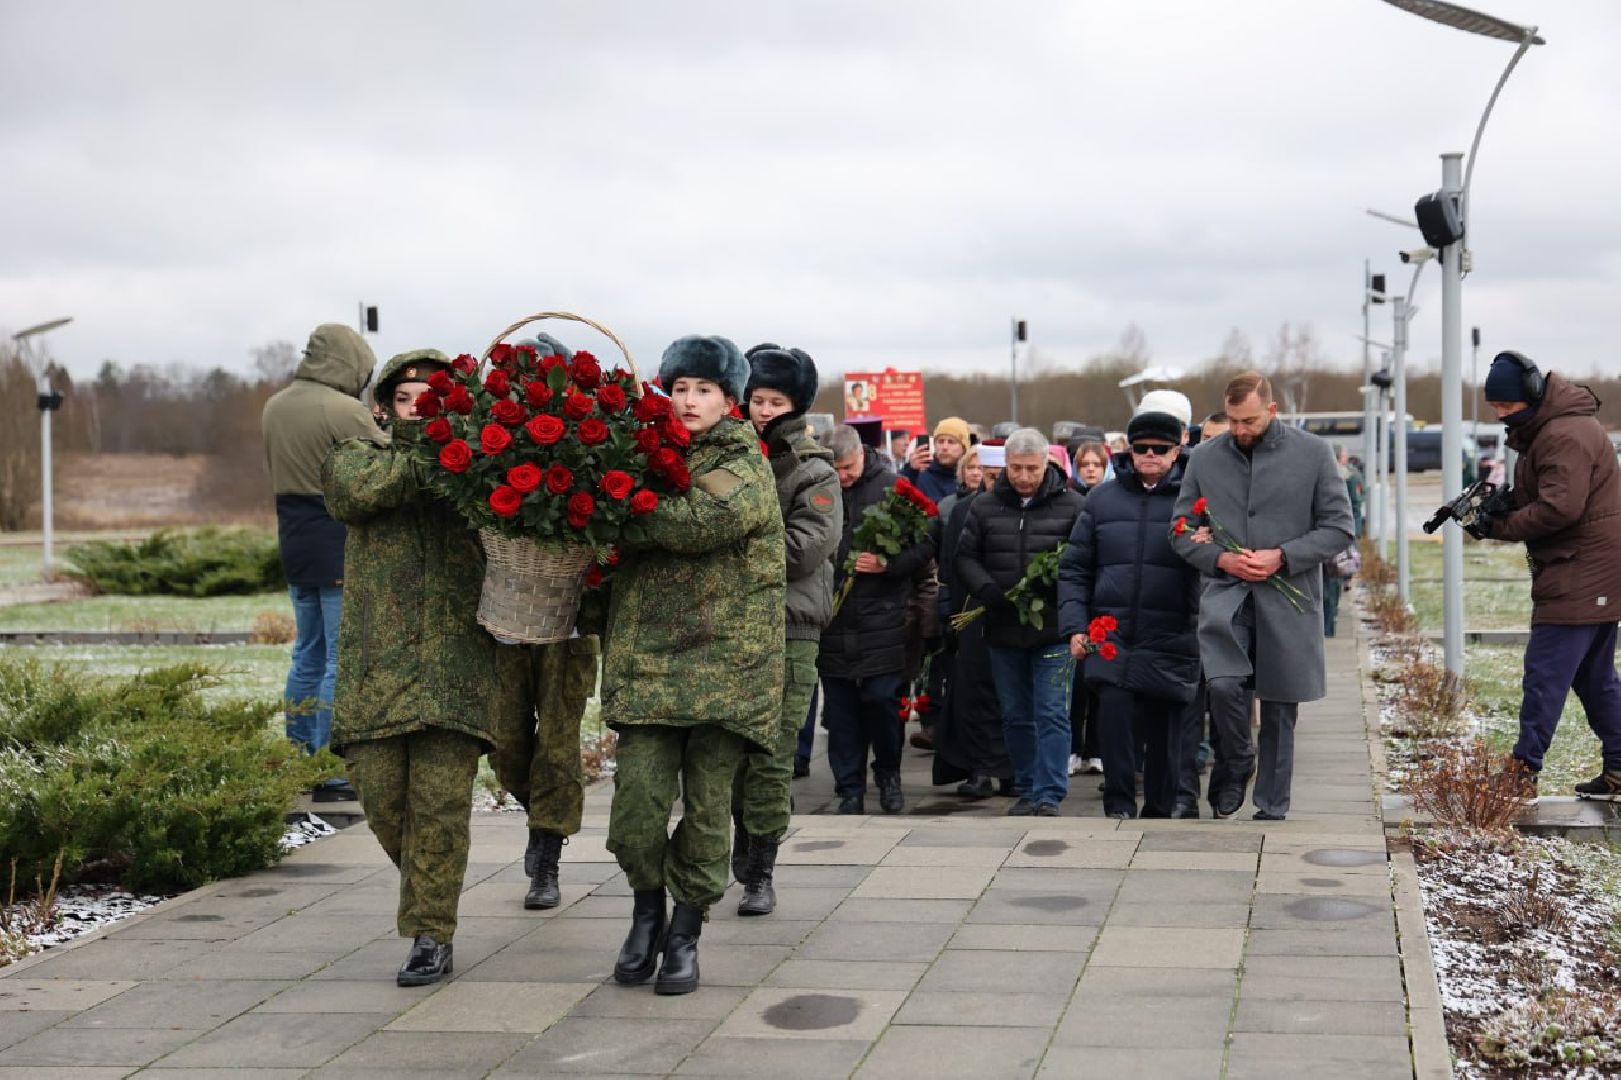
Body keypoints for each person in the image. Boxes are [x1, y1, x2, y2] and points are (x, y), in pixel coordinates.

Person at [604, 335, 786, 996]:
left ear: (729, 400)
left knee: (707, 813)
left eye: (704, 389)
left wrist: (621, 507)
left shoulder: (744, 461)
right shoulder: (641, 453)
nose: (688, 401)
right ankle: (645, 912)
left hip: (723, 670)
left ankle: (684, 931)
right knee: (636, 814)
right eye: (679, 388)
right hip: (646, 664)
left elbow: (700, 521)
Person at [322, 348, 496, 987]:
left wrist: (476, 453)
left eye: (434, 400)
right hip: (377, 667)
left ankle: (430, 933)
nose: (419, 410)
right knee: (383, 801)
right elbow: (360, 495)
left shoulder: (481, 467)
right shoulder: (356, 459)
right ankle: (430, 891)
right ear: (383, 407)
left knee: (440, 806)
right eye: (406, 400)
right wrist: (441, 449)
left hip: (456, 666)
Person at [1170, 371, 1354, 821]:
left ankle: (1272, 805)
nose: (1239, 431)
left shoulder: (1313, 454)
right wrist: (1220, 559)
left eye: (1248, 421)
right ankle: (1236, 761)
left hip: (1287, 594)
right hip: (1227, 595)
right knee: (1223, 683)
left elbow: (1339, 528)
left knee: (1278, 704)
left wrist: (1283, 556)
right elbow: (1180, 530)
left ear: (1271, 410)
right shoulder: (1205, 459)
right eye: (1233, 421)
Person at [1469, 351, 1621, 801]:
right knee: (1594, 678)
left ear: (1533, 395)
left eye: (1507, 406)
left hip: (1581, 570)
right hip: (1589, 570)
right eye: (1494, 406)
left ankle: (1522, 773)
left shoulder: (1564, 435)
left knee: (1545, 674)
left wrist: (1500, 527)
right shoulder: (1553, 430)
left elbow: (1561, 507)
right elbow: (1551, 492)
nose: (1500, 414)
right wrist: (1509, 503)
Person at [488, 333, 599, 912]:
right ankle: (540, 813)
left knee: (557, 742)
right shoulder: (489, 445)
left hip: (570, 621)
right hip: (503, 620)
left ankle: (547, 854)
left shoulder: (587, 443)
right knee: (506, 743)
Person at [731, 344, 842, 916]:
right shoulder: (727, 457)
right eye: (756, 399)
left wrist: (728, 547)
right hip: (729, 626)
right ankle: (738, 845)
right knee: (728, 752)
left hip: (789, 624)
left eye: (775, 401)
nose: (763, 410)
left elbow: (805, 549)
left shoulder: (812, 467)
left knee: (773, 753)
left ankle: (761, 868)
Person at [1059, 410, 1201, 819]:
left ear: (1177, 451)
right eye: (1142, 449)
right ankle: (1117, 808)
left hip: (1172, 632)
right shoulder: (1102, 499)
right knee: (1115, 727)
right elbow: (1075, 567)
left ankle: (1159, 811)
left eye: (1161, 449)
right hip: (1112, 636)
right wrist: (1074, 626)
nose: (1151, 456)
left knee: (1165, 735)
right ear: (1129, 451)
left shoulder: (1194, 500)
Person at [262, 323, 382, 799]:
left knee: (307, 654)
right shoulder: (343, 409)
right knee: (340, 658)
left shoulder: (275, 406)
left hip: (293, 539)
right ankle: (333, 769)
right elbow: (386, 458)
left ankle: (298, 760)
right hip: (336, 540)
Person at [957, 427, 1087, 815]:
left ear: (1046, 462)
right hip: (1003, 626)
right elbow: (965, 557)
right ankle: (1027, 785)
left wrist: (1059, 592)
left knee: (1051, 712)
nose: (1024, 477)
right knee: (1015, 714)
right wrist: (987, 590)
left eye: (1032, 468)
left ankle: (1049, 792)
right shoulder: (984, 506)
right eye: (1016, 469)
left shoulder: (1073, 506)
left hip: (1053, 629)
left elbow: (1082, 562)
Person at [818, 425, 934, 814]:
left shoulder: (892, 487)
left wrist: (888, 564)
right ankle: (849, 787)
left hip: (883, 620)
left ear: (861, 456)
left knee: (884, 704)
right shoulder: (817, 487)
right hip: (832, 619)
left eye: (848, 468)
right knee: (841, 713)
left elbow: (926, 544)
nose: (843, 477)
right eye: (835, 470)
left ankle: (888, 775)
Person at [932, 446, 1015, 797]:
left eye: (997, 474)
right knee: (972, 695)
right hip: (972, 612)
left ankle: (1011, 770)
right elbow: (950, 568)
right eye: (986, 473)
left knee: (1009, 695)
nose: (989, 480)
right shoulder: (964, 509)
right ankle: (978, 769)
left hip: (1012, 614)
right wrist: (951, 617)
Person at [901, 417, 971, 503]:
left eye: (951, 442)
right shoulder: (921, 476)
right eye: (940, 441)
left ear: (964, 448)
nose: (945, 447)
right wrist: (910, 471)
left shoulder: (972, 476)